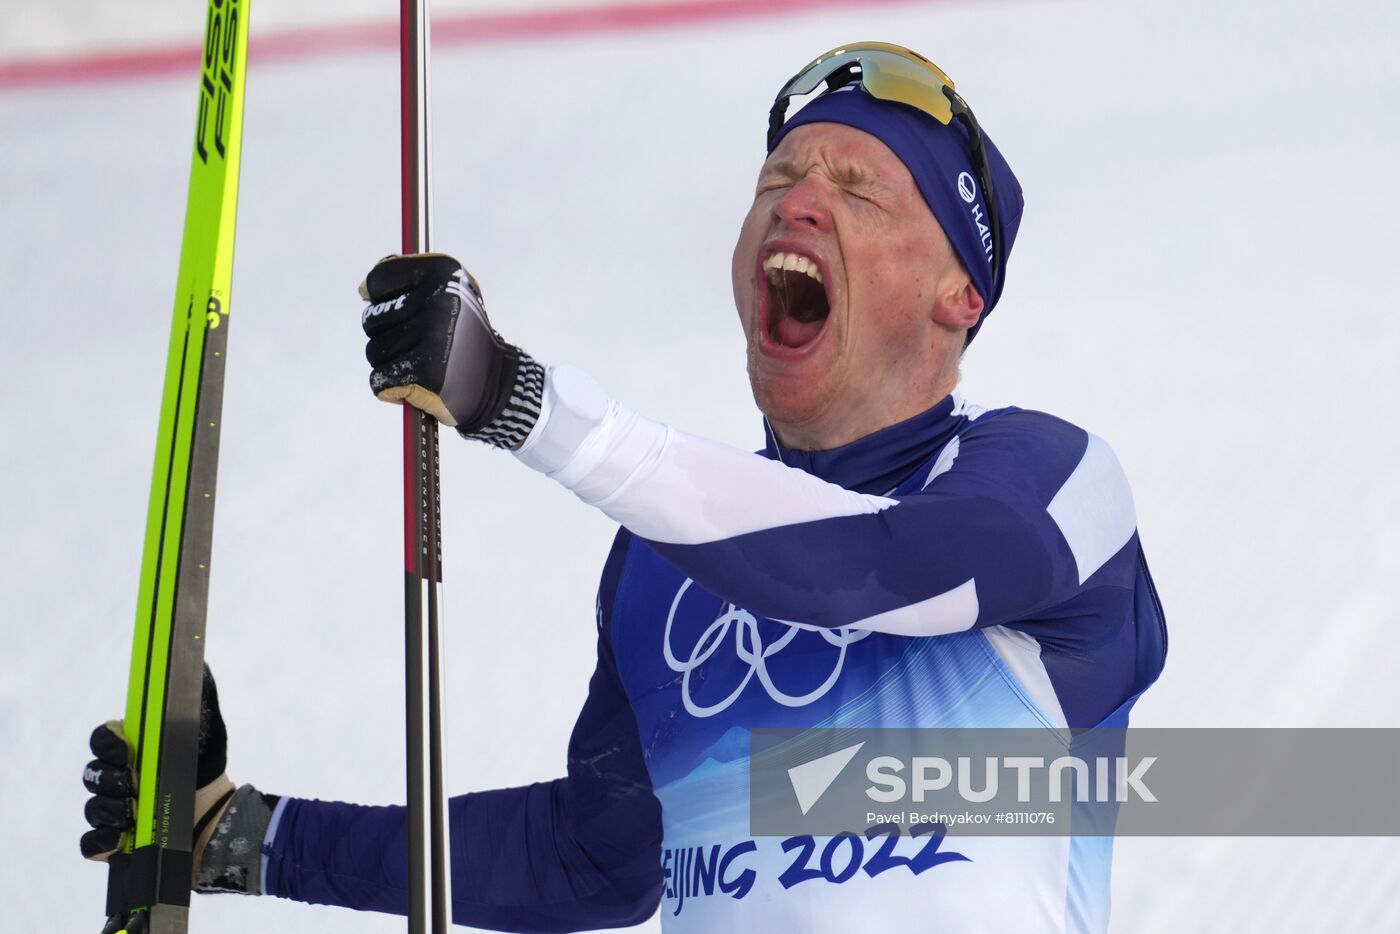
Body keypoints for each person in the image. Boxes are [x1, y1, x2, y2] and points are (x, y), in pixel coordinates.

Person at [83, 43, 1166, 933]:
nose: (795, 205)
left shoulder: (1057, 486)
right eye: (776, 182)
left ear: (957, 295)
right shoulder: (661, 561)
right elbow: (589, 859)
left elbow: (875, 566)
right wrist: (246, 832)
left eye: (857, 189)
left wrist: (522, 402)